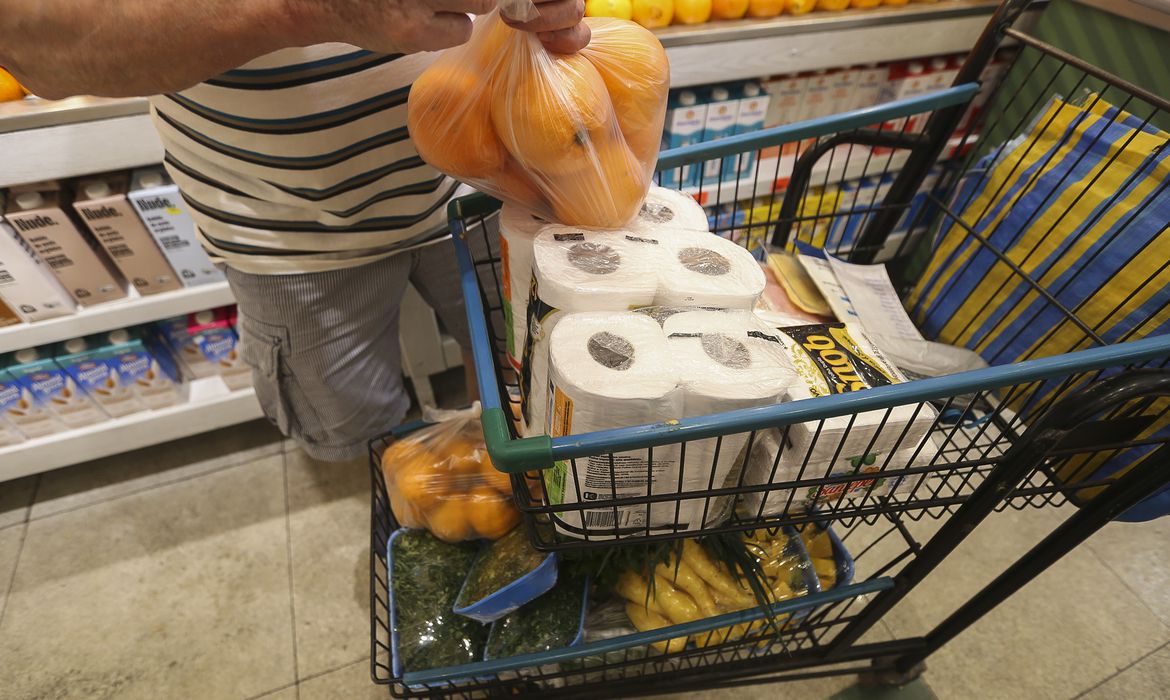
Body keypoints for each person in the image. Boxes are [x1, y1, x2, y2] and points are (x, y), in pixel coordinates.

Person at [1, 1, 589, 461]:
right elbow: (33, 45)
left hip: (491, 174)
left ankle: (494, 488)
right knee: (352, 424)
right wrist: (309, 10)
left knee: (525, 379)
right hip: (285, 231)